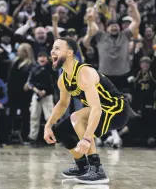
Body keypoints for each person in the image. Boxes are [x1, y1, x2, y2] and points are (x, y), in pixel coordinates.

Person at [44, 37, 130, 184]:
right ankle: (82, 166)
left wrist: (86, 138)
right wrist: (48, 125)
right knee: (60, 131)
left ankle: (97, 170)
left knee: (76, 117)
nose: (53, 50)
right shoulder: (63, 79)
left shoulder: (84, 73)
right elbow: (63, 103)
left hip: (117, 109)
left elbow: (96, 108)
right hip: (99, 110)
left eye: (57, 48)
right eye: (53, 47)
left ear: (70, 52)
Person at [27, 52, 54, 143]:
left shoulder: (51, 69)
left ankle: (54, 137)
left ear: (47, 58)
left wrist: (45, 91)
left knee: (50, 117)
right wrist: (37, 91)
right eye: (40, 57)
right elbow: (30, 82)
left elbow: (53, 83)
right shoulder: (34, 69)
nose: (42, 59)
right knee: (34, 116)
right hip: (36, 95)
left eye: (44, 57)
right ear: (37, 59)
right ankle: (32, 137)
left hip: (48, 95)